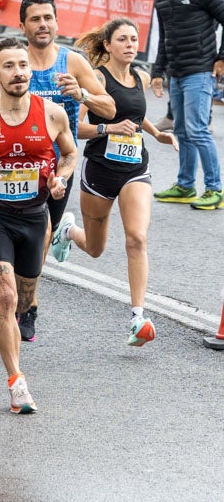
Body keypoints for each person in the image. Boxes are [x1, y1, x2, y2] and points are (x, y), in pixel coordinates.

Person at [0, 0, 114, 339]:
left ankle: (28, 302)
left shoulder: (72, 61)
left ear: (57, 22)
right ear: (22, 25)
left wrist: (82, 95)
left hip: (53, 169)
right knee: (27, 239)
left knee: (41, 236)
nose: (43, 24)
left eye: (48, 18)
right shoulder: (12, 62)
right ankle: (29, 306)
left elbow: (110, 108)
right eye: (35, 19)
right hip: (7, 166)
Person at [51, 19, 175, 346]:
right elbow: (74, 129)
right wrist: (109, 129)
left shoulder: (141, 76)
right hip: (101, 170)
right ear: (108, 44)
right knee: (95, 248)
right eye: (123, 39)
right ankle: (67, 231)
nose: (130, 45)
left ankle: (138, 317)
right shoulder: (95, 79)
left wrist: (155, 132)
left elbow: (133, 114)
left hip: (136, 167)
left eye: (134, 39)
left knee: (136, 238)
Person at [0, 37, 77, 412]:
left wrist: (61, 178)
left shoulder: (52, 113)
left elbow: (68, 154)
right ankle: (16, 383)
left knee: (23, 297)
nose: (18, 72)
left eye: (23, 65)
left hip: (36, 216)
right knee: (4, 296)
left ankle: (20, 321)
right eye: (9, 66)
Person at [150, 0, 224, 210]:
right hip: (177, 74)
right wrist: (157, 72)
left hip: (201, 71)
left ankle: (216, 189)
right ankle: (185, 186)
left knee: (197, 130)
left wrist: (221, 57)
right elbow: (164, 38)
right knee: (181, 131)